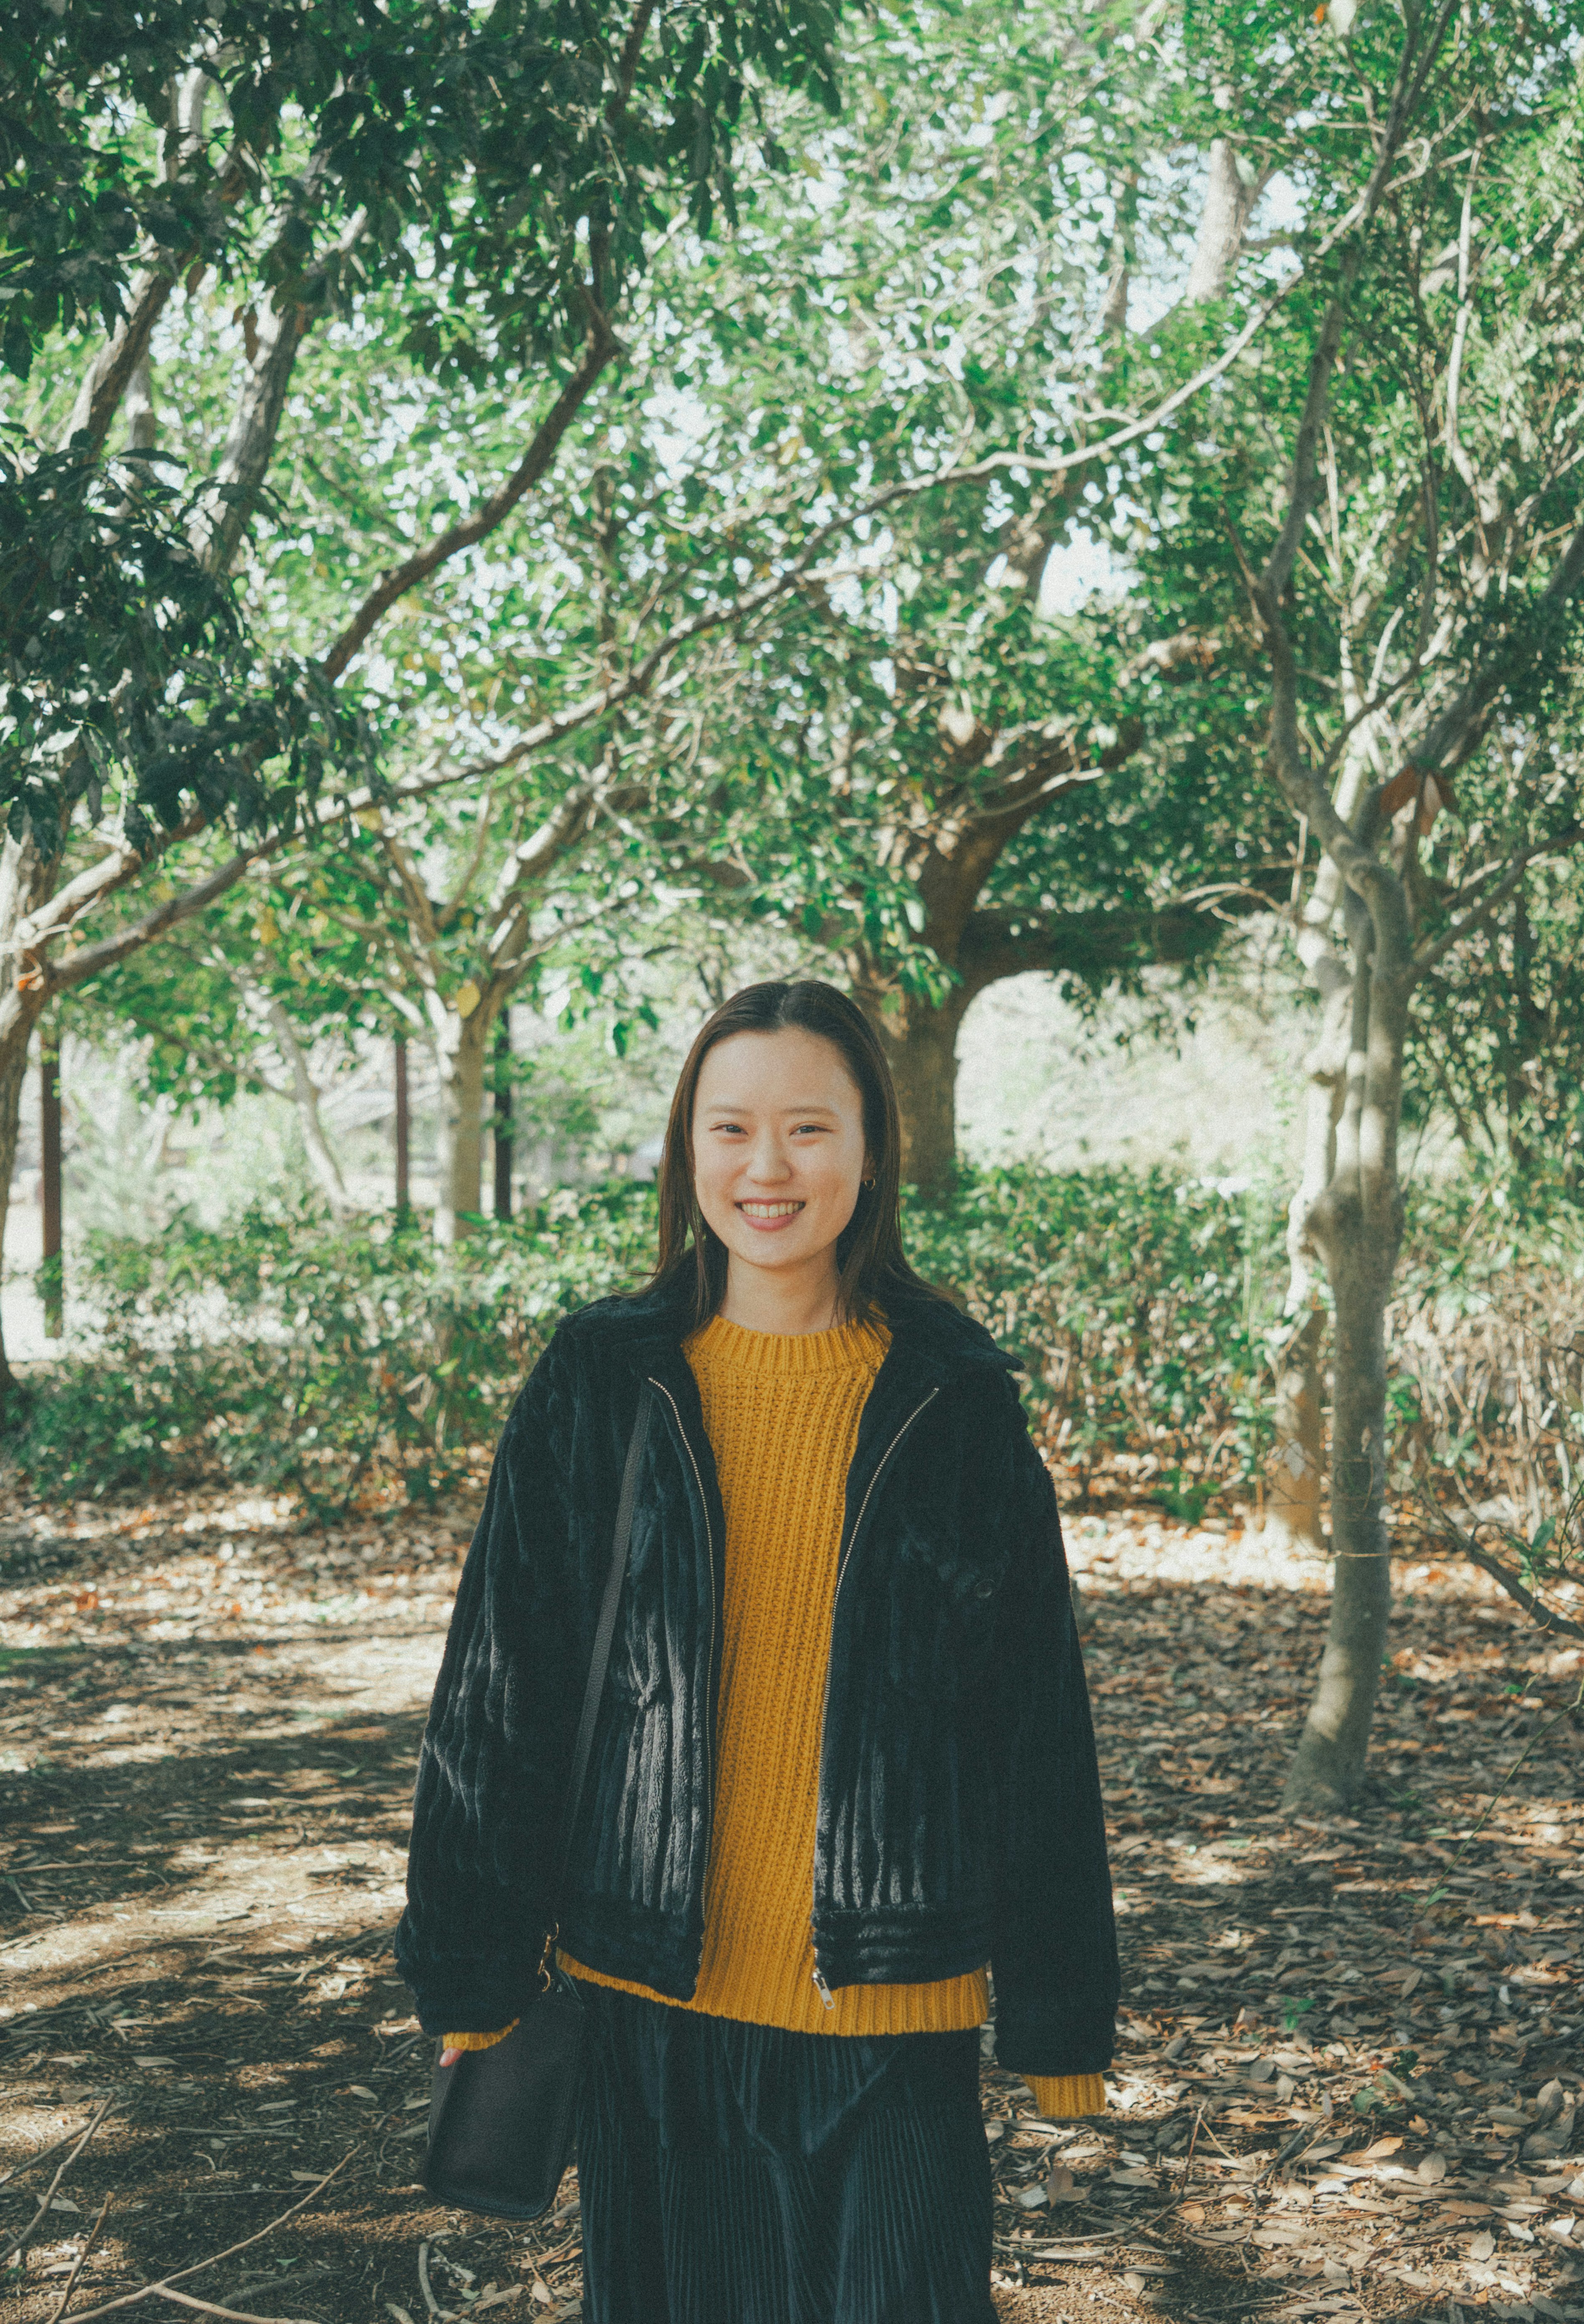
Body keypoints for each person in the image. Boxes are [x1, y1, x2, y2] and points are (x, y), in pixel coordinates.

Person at [395, 978, 1118, 2324]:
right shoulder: (604, 1378)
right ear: (686, 1151)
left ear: (871, 1150)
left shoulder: (957, 1398)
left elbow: (1032, 1722)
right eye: (728, 1130)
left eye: (807, 1129)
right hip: (649, 2006)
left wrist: (1062, 2018)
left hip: (897, 2023)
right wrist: (471, 1968)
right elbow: (502, 1687)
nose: (766, 1169)